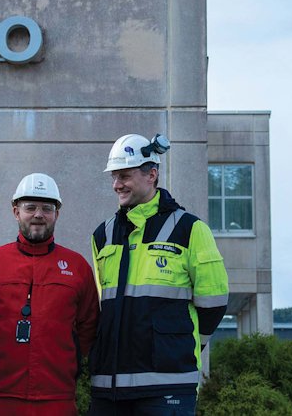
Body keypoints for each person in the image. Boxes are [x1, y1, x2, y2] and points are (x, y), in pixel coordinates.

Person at [88, 134, 230, 415]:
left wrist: (181, 345)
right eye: (114, 177)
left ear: (152, 174)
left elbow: (214, 303)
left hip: (168, 386)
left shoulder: (190, 230)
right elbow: (100, 307)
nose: (117, 185)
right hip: (109, 386)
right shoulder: (102, 235)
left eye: (124, 176)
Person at [0, 173, 100, 416]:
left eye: (46, 208)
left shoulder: (77, 266)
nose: (38, 214)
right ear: (16, 211)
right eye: (30, 207)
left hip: (56, 397)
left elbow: (88, 326)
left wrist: (64, 359)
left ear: (57, 214)